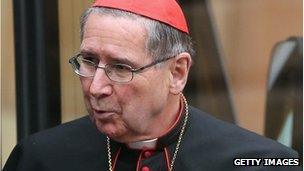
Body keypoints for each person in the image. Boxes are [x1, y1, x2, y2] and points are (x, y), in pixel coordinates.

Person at [3, 0, 300, 171]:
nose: (95, 88)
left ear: (177, 72)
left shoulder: (261, 162)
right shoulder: (39, 158)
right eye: (90, 61)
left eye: (121, 67)